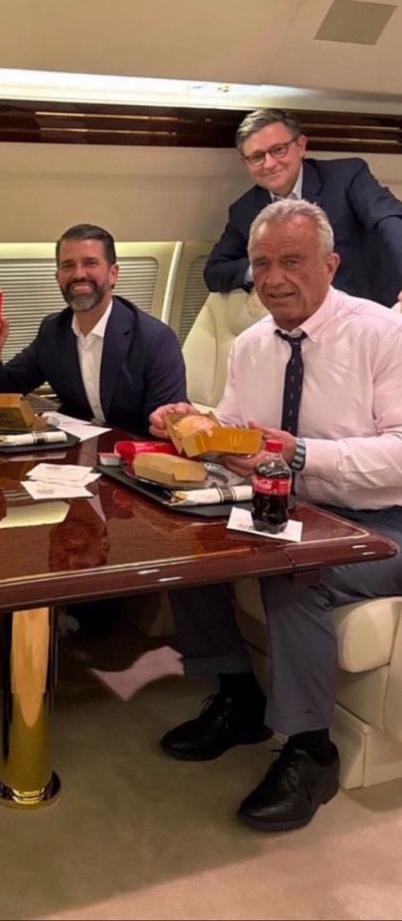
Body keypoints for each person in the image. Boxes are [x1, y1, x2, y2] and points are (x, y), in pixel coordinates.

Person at [150, 198, 402, 832]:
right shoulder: (252, 344)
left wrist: (305, 455)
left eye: (292, 261)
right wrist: (193, 425)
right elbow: (241, 432)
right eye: (262, 263)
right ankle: (238, 697)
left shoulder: (382, 334)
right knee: (189, 548)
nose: (273, 278)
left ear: (331, 264)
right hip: (294, 504)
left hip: (385, 520)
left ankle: (311, 751)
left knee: (296, 572)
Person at [0, 223, 187, 437]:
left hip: (130, 458)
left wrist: (167, 424)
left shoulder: (155, 339)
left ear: (113, 274)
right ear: (58, 278)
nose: (78, 274)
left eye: (90, 263)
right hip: (73, 454)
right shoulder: (53, 330)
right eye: (68, 266)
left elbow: (167, 425)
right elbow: (5, 396)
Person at [203, 108, 402, 306]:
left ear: (300, 146)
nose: (269, 164)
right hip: (300, 320)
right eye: (257, 157)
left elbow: (390, 220)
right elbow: (214, 271)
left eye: (278, 150)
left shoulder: (346, 177)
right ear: (245, 163)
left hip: (371, 307)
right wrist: (263, 266)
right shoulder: (245, 210)